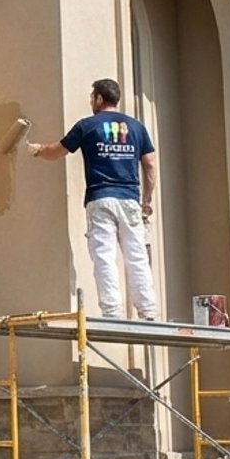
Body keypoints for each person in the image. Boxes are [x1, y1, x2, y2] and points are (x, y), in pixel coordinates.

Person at [22, 78, 159, 319]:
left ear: (98, 98)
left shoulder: (88, 126)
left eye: (92, 96)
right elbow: (149, 165)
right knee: (136, 254)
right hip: (130, 199)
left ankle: (113, 312)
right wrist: (147, 201)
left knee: (104, 255)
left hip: (101, 198)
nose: (90, 101)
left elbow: (57, 151)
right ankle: (148, 310)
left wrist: (38, 150)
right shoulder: (136, 127)